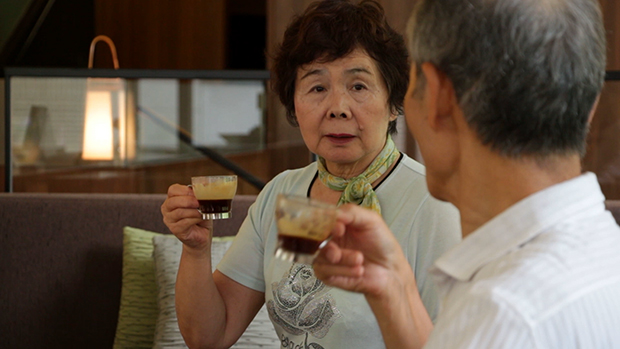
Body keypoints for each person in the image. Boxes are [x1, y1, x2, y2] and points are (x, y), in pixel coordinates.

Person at [313, 0, 620, 348]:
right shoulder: (606, 256)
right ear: (590, 102)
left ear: (438, 98)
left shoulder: (501, 319)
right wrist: (394, 290)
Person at [160, 1, 461, 348]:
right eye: (317, 88)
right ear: (294, 106)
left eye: (358, 87)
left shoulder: (433, 202)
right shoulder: (284, 195)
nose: (337, 108)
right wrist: (196, 251)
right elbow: (210, 335)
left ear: (394, 104)